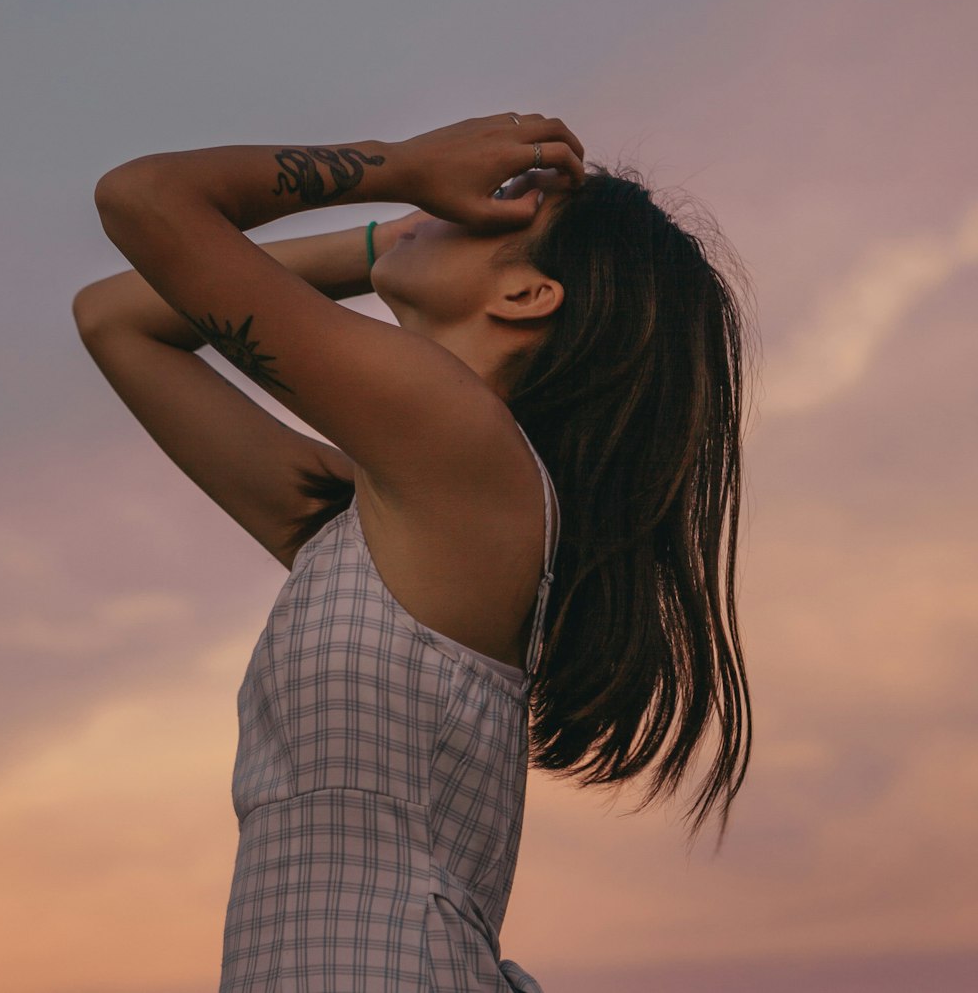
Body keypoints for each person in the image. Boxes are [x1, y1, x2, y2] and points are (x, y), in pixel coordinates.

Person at [74, 112, 756, 991]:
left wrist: (404, 168)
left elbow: (144, 199)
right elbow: (117, 318)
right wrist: (388, 239)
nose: (451, 202)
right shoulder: (397, 511)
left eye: (494, 209)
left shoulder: (461, 438)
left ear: (525, 295)